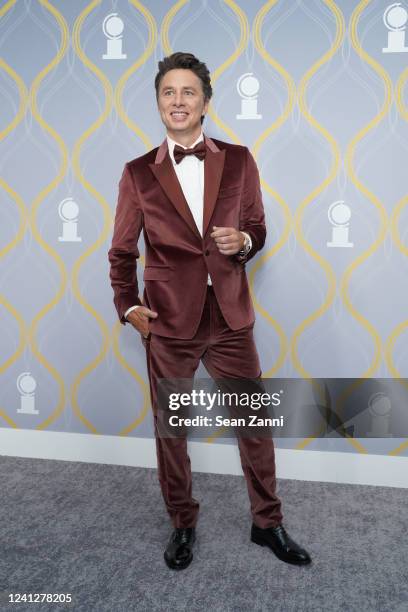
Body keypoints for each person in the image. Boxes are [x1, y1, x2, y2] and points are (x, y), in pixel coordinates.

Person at [108, 52, 311, 570]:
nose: (178, 101)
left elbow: (258, 229)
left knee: (254, 424)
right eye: (168, 93)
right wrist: (128, 305)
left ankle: (268, 523)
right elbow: (122, 253)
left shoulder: (239, 160)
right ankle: (182, 522)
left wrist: (242, 239)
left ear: (206, 102)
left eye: (188, 92)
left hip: (229, 317)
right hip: (168, 321)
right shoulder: (137, 174)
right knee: (172, 430)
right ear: (158, 103)